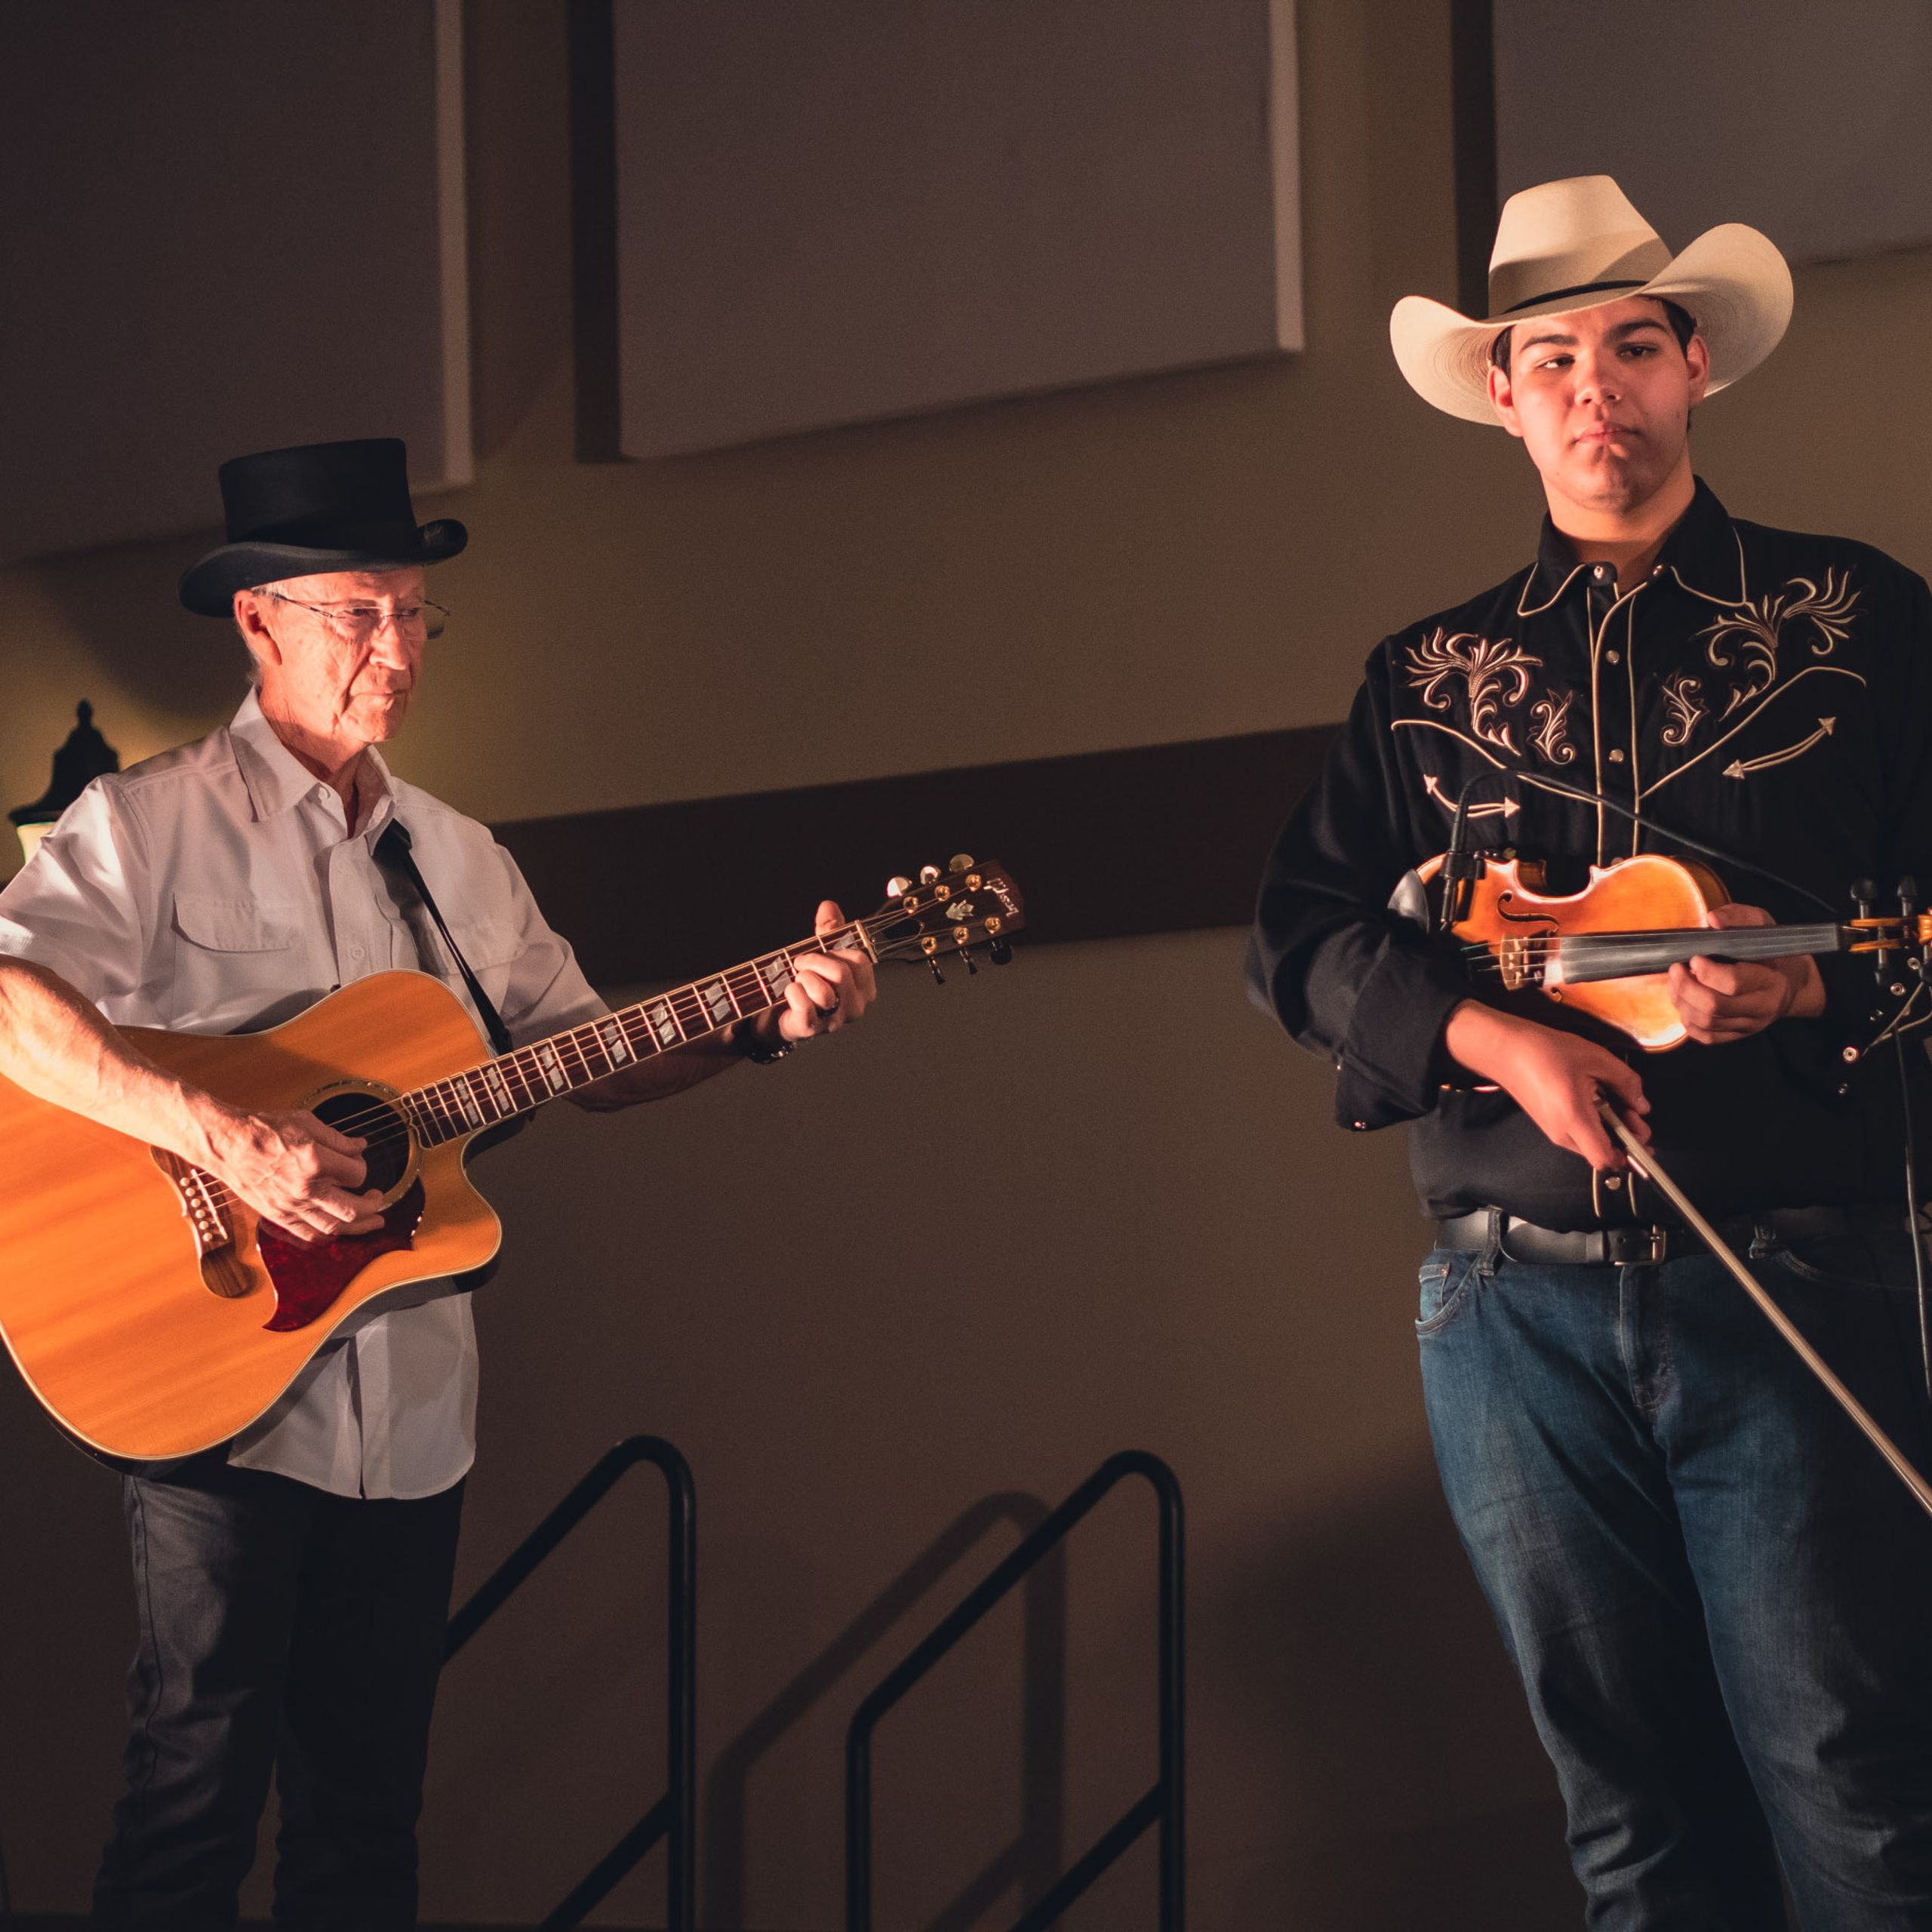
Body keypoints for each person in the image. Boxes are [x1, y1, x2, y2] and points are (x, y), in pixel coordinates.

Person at [0, 438, 876, 1929]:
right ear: (261, 620)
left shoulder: (456, 859)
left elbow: (586, 1053)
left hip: (409, 1415)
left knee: (362, 1821)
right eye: (362, 614)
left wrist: (750, 1019)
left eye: (415, 616)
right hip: (216, 1379)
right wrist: (226, 1135)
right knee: (191, 1790)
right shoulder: (140, 826)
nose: (399, 650)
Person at [1247, 176, 1932, 1925]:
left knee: (1849, 1788)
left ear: (1692, 363)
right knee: (1624, 1817)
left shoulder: (1855, 626)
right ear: (1500, 394)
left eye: (1630, 345)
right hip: (1507, 1308)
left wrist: (1809, 995)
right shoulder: (1422, 679)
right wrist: (1493, 1032)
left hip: (1787, 1270)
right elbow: (1299, 941)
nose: (1589, 387)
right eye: (1546, 356)